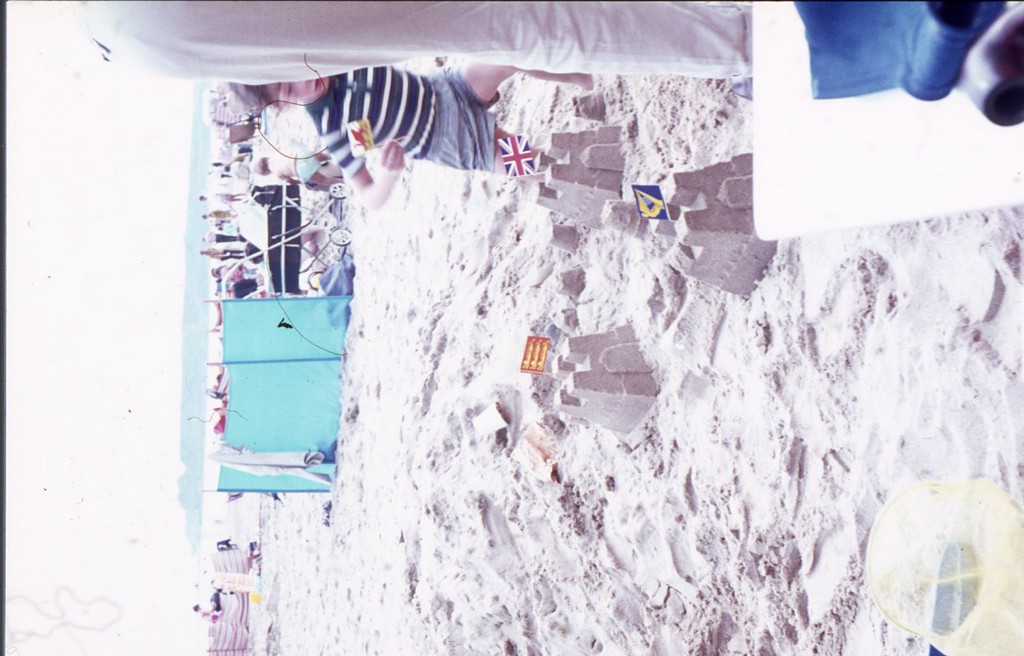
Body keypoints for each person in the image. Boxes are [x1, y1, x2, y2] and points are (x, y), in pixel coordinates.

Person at [78, 2, 752, 82]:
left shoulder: (131, 49)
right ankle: (741, 38)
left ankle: (737, 42)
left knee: (521, 25)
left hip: (146, 40)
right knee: (521, 21)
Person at [229, 63, 592, 209]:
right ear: (283, 107)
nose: (302, 82)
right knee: (535, 163)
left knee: (505, 55)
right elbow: (369, 197)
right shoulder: (332, 126)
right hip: (449, 137)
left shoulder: (337, 57)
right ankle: (600, 177)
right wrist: (389, 173)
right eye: (288, 90)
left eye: (292, 71)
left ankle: (585, 77)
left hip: (447, 89)